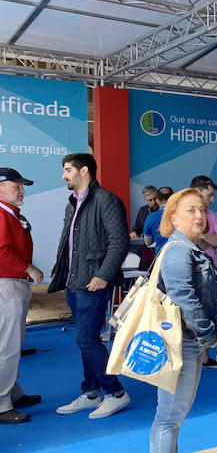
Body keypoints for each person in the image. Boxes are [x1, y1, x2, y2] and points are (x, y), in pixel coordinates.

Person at [149, 188, 217, 453]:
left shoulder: (188, 248)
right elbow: (184, 298)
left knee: (173, 413)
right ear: (173, 218)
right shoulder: (179, 250)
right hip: (182, 342)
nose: (198, 216)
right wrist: (210, 335)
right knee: (169, 415)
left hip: (186, 341)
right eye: (190, 210)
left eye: (201, 210)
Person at [51, 153, 131, 419]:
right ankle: (92, 392)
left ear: (84, 170)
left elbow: (119, 242)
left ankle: (116, 393)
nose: (64, 175)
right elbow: (68, 244)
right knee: (88, 340)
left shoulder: (106, 200)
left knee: (85, 338)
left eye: (68, 170)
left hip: (94, 282)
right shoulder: (73, 202)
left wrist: (104, 274)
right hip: (75, 281)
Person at [0, 168, 43, 424]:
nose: (23, 190)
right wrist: (27, 267)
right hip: (8, 285)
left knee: (11, 344)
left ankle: (12, 392)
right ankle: (2, 404)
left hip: (13, 285)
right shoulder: (2, 215)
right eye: (18, 186)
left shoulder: (10, 215)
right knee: (7, 347)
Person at [189, 175, 217, 368]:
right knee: (196, 314)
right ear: (197, 192)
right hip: (195, 274)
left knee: (215, 314)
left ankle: (205, 357)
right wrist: (209, 238)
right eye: (209, 195)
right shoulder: (184, 214)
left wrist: (204, 236)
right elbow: (192, 241)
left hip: (215, 272)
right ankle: (199, 357)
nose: (212, 199)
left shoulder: (211, 216)